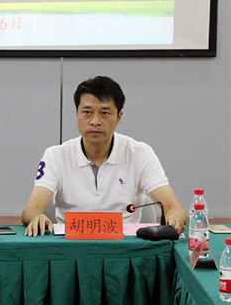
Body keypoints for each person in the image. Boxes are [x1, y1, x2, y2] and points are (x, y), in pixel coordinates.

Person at [22, 76, 187, 236]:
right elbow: (30, 210)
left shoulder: (140, 153)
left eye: (105, 113)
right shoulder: (56, 156)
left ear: (119, 117)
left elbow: (175, 208)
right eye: (87, 112)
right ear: (77, 114)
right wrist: (36, 217)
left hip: (126, 247)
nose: (95, 121)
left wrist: (175, 216)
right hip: (71, 246)